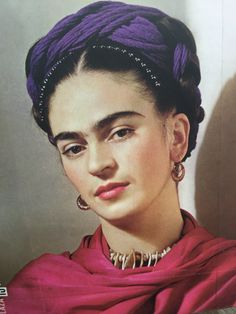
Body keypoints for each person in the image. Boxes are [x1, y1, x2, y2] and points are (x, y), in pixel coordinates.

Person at [6, 1, 236, 313]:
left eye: (120, 132)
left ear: (177, 136)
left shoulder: (228, 281)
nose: (97, 164)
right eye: (74, 148)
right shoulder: (26, 296)